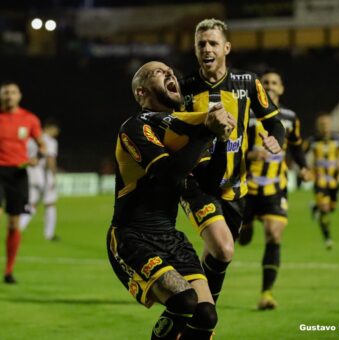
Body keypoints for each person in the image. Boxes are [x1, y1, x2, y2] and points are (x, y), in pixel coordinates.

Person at [107, 61, 236, 339]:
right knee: (184, 300)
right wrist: (206, 132)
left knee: (206, 316)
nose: (169, 73)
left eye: (169, 70)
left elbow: (209, 184)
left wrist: (222, 139)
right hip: (132, 237)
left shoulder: (181, 134)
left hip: (171, 238)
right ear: (141, 92)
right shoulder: (135, 126)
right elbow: (167, 175)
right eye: (158, 72)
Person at [179, 18, 285, 304]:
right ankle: (205, 315)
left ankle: (199, 309)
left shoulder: (248, 83)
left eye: (213, 43)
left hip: (235, 188)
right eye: (201, 44)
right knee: (224, 249)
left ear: (226, 47)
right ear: (195, 49)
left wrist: (276, 140)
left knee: (217, 252)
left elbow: (275, 122)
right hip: (198, 185)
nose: (206, 48)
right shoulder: (184, 89)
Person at [237, 71, 311, 310]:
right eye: (265, 82)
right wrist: (249, 154)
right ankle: (245, 226)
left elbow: (297, 147)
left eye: (274, 83)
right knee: (243, 237)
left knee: (274, 233)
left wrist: (304, 167)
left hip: (275, 188)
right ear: (259, 88)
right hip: (245, 188)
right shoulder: (246, 114)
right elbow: (231, 146)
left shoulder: (289, 117)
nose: (270, 86)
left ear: (281, 88)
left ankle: (266, 294)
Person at [0, 81, 45, 284]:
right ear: (0, 95)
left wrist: (36, 158)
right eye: (6, 92)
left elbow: (41, 146)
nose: (9, 96)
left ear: (19, 95)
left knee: (14, 224)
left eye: (13, 92)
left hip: (18, 173)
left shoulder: (29, 119)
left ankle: (8, 271)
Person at [306, 114, 339, 250]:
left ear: (330, 124)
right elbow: (300, 153)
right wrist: (306, 169)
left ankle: (315, 207)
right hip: (319, 181)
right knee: (325, 210)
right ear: (318, 126)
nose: (325, 126)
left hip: (334, 180)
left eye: (327, 124)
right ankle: (328, 239)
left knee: (332, 208)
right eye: (322, 124)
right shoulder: (312, 140)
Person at [19, 119, 60, 240]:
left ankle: (18, 229)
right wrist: (53, 176)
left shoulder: (32, 139)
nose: (56, 133)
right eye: (56, 130)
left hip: (30, 173)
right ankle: (49, 234)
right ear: (51, 128)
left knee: (32, 204)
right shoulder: (49, 141)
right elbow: (50, 159)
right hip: (43, 175)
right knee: (50, 204)